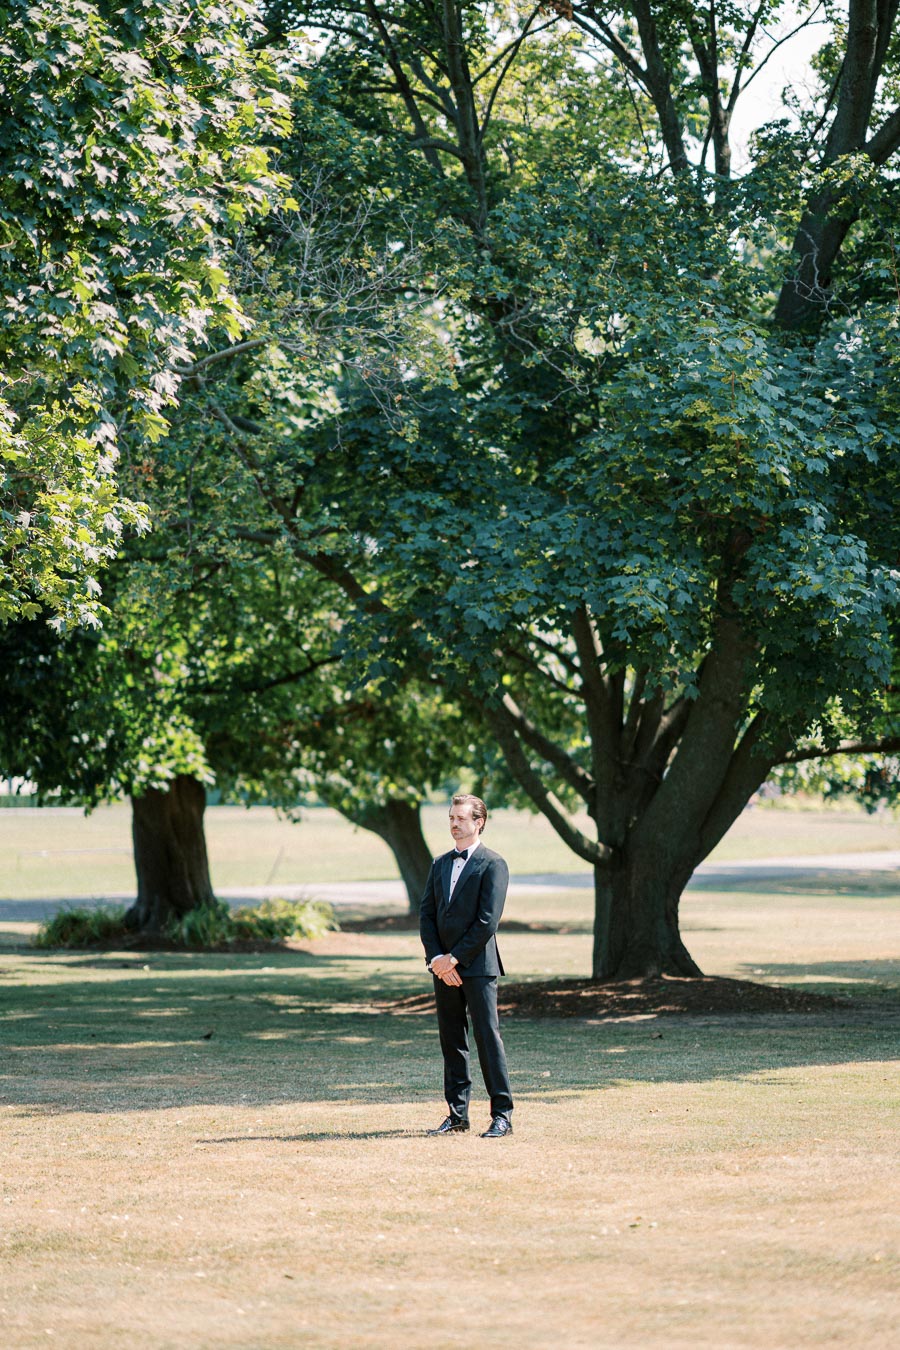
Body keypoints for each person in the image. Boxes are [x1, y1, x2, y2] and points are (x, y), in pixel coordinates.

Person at [419, 793, 514, 1138]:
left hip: (477, 966)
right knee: (452, 1040)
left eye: (460, 818)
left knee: (488, 1038)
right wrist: (436, 961)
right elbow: (427, 914)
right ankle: (457, 1114)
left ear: (479, 822)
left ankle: (502, 1114)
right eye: (450, 818)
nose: (454, 824)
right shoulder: (440, 864)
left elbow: (487, 921)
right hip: (444, 969)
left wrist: (454, 958)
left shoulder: (493, 864)